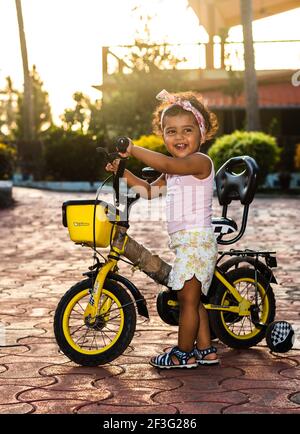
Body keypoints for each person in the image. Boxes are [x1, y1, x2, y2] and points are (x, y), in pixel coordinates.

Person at [105, 89, 219, 369]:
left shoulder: (199, 163)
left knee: (187, 300)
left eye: (187, 130)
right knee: (191, 298)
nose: (179, 137)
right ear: (163, 135)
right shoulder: (173, 171)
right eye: (171, 132)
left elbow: (168, 162)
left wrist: (132, 148)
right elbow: (147, 191)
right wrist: (123, 172)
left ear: (201, 135)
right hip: (186, 243)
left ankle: (183, 353)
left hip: (196, 241)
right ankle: (205, 350)